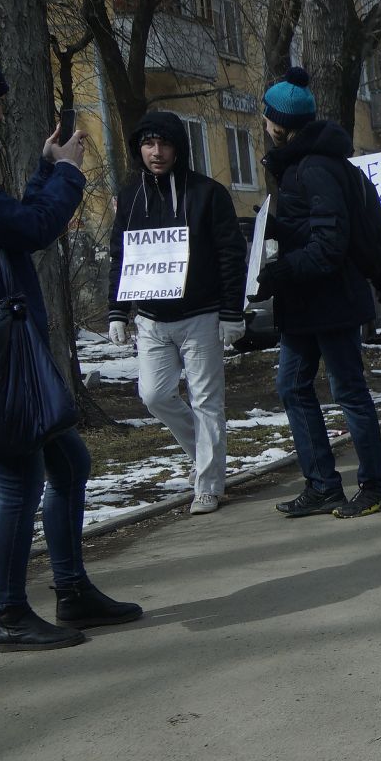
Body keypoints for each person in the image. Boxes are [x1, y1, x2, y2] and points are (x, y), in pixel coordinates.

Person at [0, 37, 142, 651]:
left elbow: (4, 226)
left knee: (71, 463)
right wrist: (65, 174)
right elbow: (27, 228)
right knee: (21, 480)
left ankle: (71, 593)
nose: (0, 112)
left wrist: (45, 171)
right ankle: (9, 614)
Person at [256, 67, 381, 519]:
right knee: (292, 386)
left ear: (277, 123)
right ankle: (322, 485)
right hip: (307, 302)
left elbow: (329, 245)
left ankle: (375, 487)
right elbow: (310, 227)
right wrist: (267, 232)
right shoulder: (307, 163)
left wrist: (278, 272)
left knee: (349, 391)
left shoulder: (314, 166)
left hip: (330, 300)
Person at [106, 109, 247, 515]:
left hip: (201, 314)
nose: (156, 151)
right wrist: (117, 311)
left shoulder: (207, 193)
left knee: (207, 401)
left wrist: (231, 312)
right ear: (138, 149)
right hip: (151, 319)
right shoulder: (131, 197)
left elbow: (229, 256)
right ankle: (207, 457)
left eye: (164, 143)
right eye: (148, 144)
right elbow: (121, 256)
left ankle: (208, 484)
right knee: (153, 394)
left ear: (179, 148)